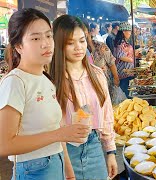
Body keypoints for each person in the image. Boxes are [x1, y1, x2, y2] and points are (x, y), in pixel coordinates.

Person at [0, 8, 90, 180]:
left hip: (55, 165)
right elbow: (4, 144)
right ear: (19, 46)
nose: (46, 43)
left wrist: (69, 174)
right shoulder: (15, 82)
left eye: (48, 36)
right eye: (35, 38)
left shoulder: (45, 79)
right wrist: (60, 134)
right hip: (32, 170)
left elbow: (55, 130)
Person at [50, 15, 118, 180]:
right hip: (62, 150)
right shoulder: (50, 80)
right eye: (70, 43)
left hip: (93, 145)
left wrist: (110, 151)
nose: (78, 47)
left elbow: (107, 112)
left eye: (82, 40)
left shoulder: (96, 74)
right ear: (59, 44)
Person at [82, 20, 120, 98]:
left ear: (89, 32)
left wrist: (116, 79)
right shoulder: (80, 51)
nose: (82, 37)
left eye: (84, 34)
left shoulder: (101, 46)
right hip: (88, 91)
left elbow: (111, 62)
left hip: (105, 86)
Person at [114, 22, 135, 98]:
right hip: (123, 73)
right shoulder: (120, 44)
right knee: (128, 93)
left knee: (130, 92)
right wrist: (132, 60)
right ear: (123, 32)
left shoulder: (125, 42)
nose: (130, 33)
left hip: (129, 72)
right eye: (129, 31)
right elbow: (120, 56)